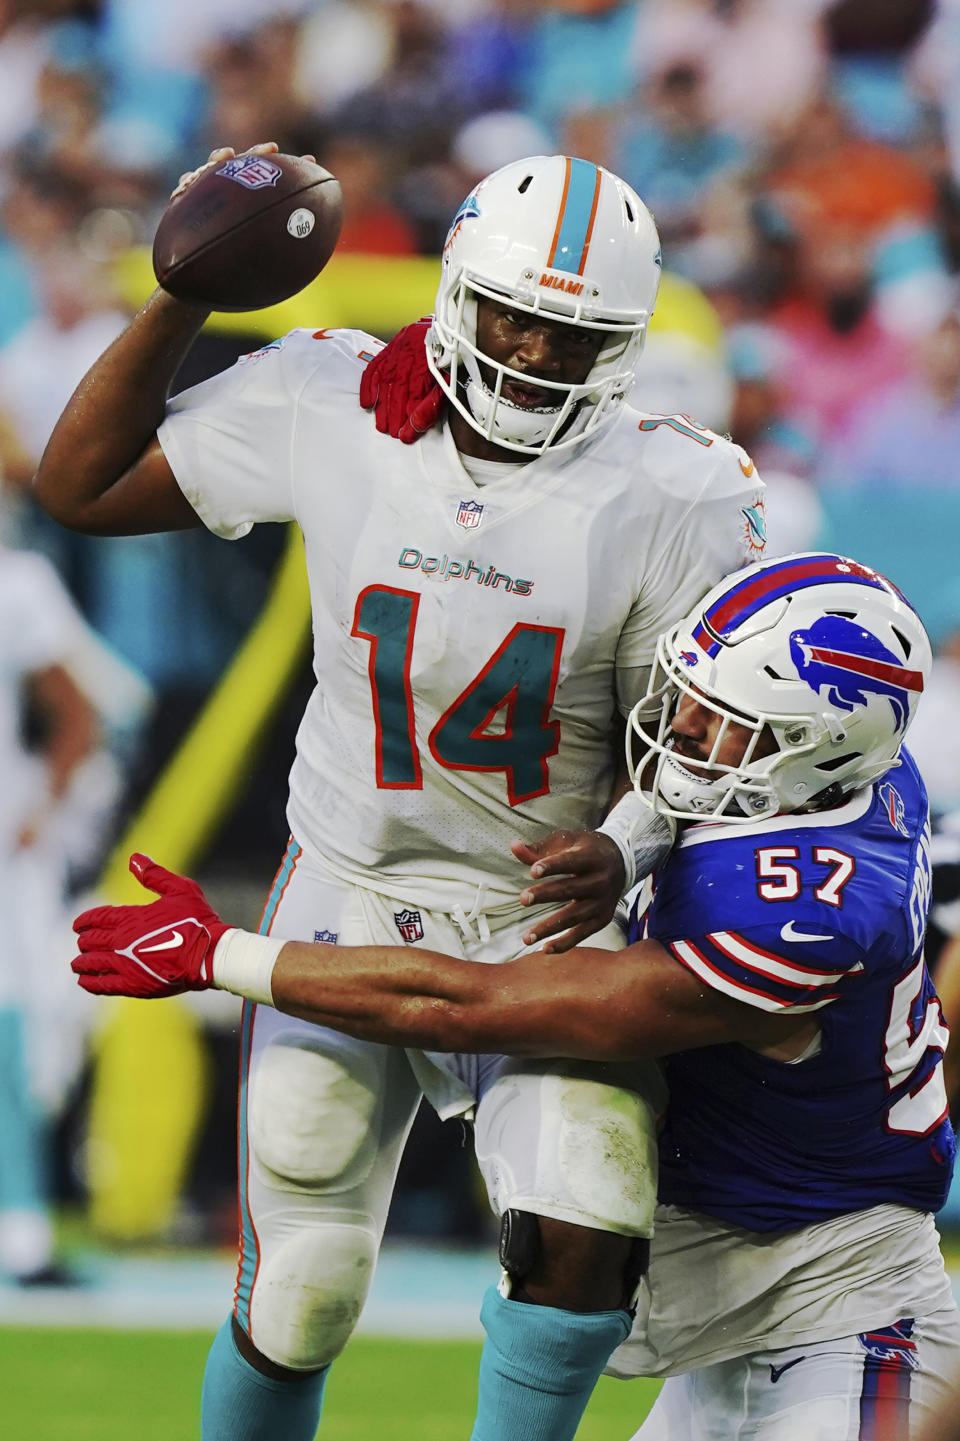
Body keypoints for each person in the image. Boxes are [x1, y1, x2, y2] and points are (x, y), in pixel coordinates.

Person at [34, 142, 765, 1441]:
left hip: (542, 908)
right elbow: (78, 486)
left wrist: (633, 837)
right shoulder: (330, 395)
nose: (535, 356)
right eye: (515, 320)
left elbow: (696, 740)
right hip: (354, 879)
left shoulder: (681, 490)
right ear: (454, 295)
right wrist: (186, 294)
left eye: (569, 334)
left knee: (585, 1240)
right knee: (305, 1284)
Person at [72, 552, 960, 1440]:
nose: (681, 728)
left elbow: (480, 1006)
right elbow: (682, 801)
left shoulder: (802, 918)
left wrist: (223, 954)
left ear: (821, 748)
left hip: (839, 1319)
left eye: (723, 720)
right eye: (689, 694)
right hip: (732, 1328)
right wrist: (627, 843)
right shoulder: (841, 780)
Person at [0, 541, 98, 1284]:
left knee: (16, 1039)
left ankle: (24, 1229)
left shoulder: (16, 582)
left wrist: (41, 808)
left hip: (6, 855)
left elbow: (76, 712)